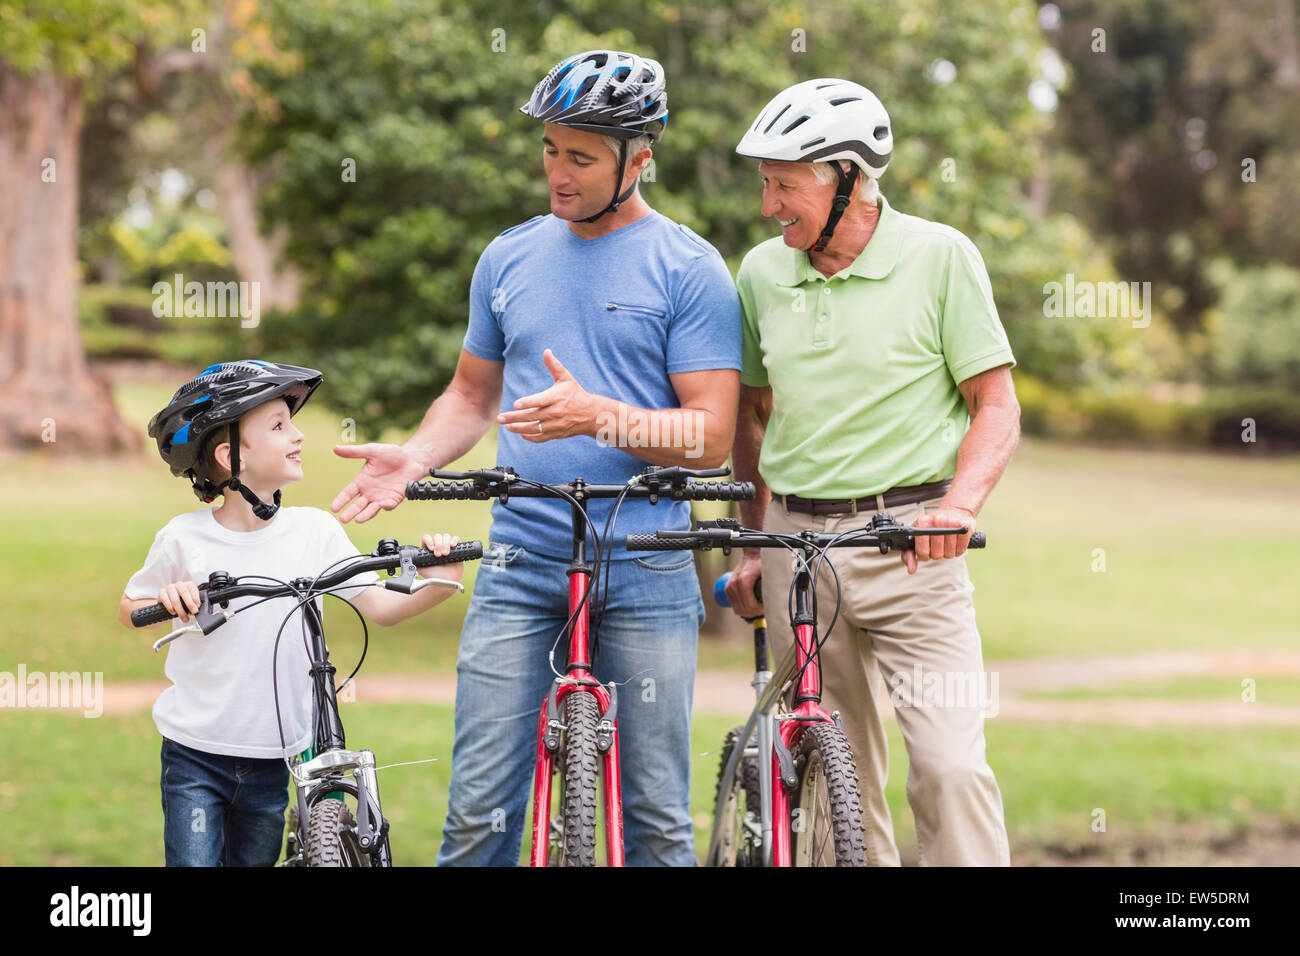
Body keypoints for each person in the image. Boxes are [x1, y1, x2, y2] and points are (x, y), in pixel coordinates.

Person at [330, 50, 742, 866]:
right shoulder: (508, 256)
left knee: (658, 821)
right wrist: (416, 455)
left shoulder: (690, 270)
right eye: (550, 150)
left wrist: (601, 417)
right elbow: (471, 395)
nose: (558, 173)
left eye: (580, 158)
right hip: (522, 558)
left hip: (648, 564)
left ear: (640, 158)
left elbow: (713, 437)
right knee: (478, 818)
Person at [725, 79, 1020, 866]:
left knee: (952, 770)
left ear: (847, 177)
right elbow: (750, 418)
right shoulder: (759, 273)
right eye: (765, 181)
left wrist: (959, 506)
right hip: (796, 549)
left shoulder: (940, 257)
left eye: (784, 183)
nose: (768, 203)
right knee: (831, 779)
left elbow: (996, 405)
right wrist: (752, 547)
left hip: (913, 545)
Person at [118, 360, 464, 866]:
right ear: (229, 454)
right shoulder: (183, 539)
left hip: (273, 758)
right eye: (279, 425)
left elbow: (382, 606)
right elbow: (131, 608)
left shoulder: (313, 532)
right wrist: (167, 599)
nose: (298, 435)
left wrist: (445, 576)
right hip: (195, 753)